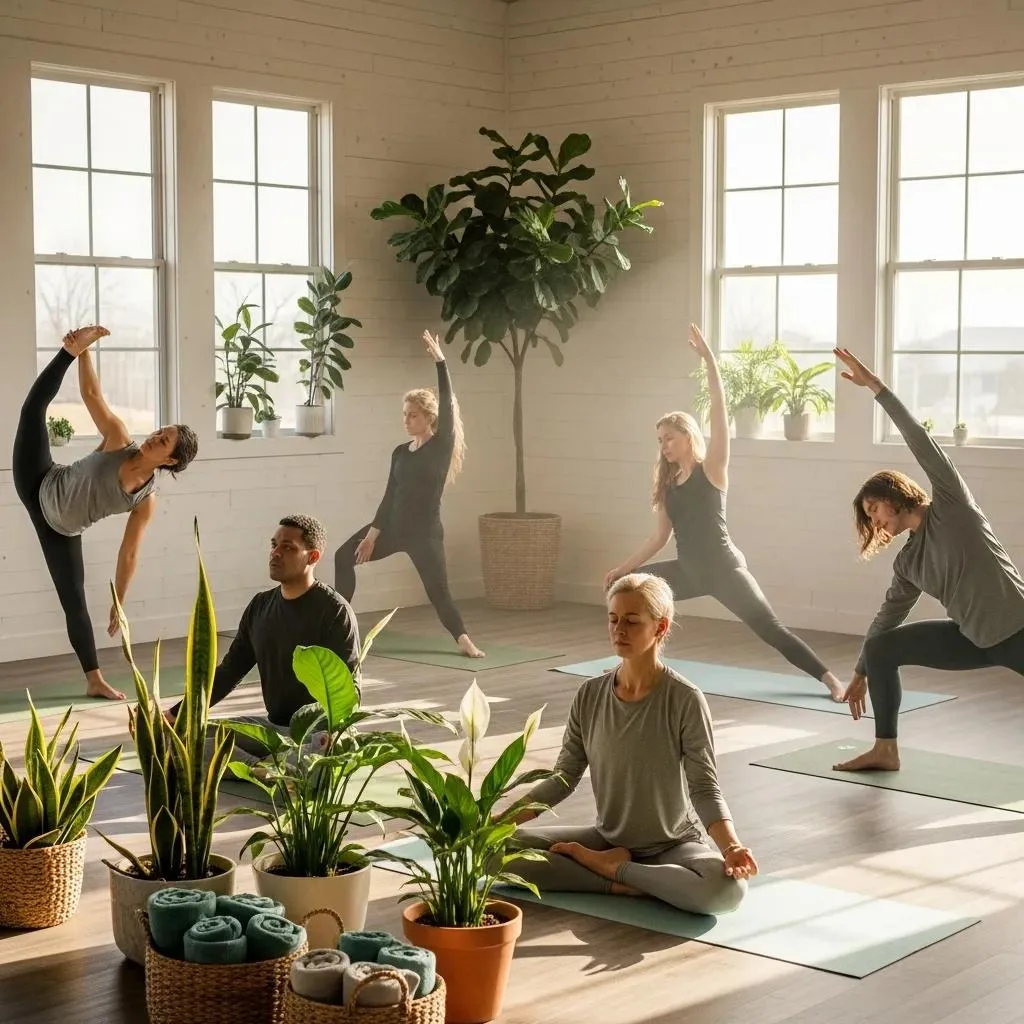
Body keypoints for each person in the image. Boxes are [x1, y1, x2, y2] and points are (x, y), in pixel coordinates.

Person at [605, 323, 846, 701]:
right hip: (687, 570)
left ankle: (831, 680)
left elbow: (719, 414)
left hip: (724, 570)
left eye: (669, 437)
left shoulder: (712, 469)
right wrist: (623, 570)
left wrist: (710, 362)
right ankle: (631, 666)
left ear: (688, 437)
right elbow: (659, 538)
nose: (664, 445)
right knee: (630, 592)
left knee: (770, 628)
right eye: (660, 440)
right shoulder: (668, 485)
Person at [508, 572, 758, 916]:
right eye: (613, 620)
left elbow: (705, 788)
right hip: (606, 838)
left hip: (672, 845)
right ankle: (614, 879)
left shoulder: (685, 699)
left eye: (631, 621)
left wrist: (731, 847)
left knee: (725, 890)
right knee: (496, 851)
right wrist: (497, 823)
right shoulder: (590, 694)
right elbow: (563, 778)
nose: (618, 630)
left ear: (660, 627)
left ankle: (615, 870)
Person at [831, 348, 1024, 772]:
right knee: (882, 647)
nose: (876, 522)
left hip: (1017, 627)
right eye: (869, 518)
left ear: (894, 496)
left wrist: (877, 389)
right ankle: (886, 749)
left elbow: (920, 440)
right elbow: (887, 617)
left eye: (875, 509)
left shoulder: (952, 506)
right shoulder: (908, 562)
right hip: (973, 638)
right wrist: (861, 671)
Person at [12, 325, 198, 701]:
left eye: (163, 441)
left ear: (171, 460)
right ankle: (68, 350)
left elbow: (129, 552)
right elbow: (91, 394)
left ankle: (94, 678)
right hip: (38, 480)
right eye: (159, 430)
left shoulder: (145, 499)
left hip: (61, 530)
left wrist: (120, 600)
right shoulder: (118, 437)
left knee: (74, 600)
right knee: (32, 409)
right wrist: (83, 352)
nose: (154, 437)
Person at [333, 329, 484, 659]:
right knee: (343, 556)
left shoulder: (441, 447)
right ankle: (337, 627)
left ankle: (463, 640)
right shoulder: (400, 452)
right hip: (392, 528)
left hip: (424, 534)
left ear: (428, 418)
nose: (406, 420)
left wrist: (441, 363)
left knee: (438, 591)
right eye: (403, 414)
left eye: (412, 415)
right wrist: (372, 536)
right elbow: (389, 497)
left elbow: (447, 401)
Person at [167, 515, 361, 765]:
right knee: (183, 741)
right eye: (274, 545)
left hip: (315, 735)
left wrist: (330, 736)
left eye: (288, 547)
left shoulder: (334, 611)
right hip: (273, 728)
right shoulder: (260, 606)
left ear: (312, 557)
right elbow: (228, 672)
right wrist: (176, 714)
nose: (276, 553)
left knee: (312, 764)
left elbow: (349, 690)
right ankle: (266, 769)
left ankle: (272, 765)